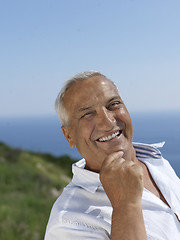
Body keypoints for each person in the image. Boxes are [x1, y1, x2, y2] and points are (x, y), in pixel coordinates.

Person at [45, 71, 180, 240]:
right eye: (87, 114)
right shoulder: (68, 222)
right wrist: (125, 206)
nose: (108, 122)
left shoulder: (155, 160)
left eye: (113, 104)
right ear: (68, 135)